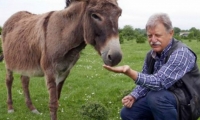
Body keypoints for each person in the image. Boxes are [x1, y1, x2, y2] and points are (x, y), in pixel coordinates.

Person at [103, 13, 200, 120]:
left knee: (156, 97)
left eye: (158, 35)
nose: (153, 40)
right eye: (149, 35)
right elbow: (147, 81)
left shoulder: (181, 53)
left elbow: (159, 82)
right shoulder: (151, 55)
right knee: (128, 113)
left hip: (189, 104)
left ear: (171, 33)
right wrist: (134, 95)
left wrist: (129, 72)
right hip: (164, 99)